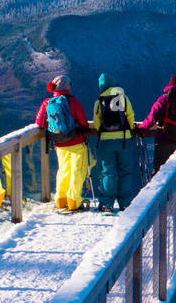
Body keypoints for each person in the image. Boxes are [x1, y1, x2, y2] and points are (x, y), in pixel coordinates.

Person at [35, 75, 92, 213]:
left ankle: (60, 201)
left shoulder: (47, 102)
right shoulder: (73, 101)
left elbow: (39, 122)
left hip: (59, 143)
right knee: (77, 172)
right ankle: (73, 202)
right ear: (67, 87)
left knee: (63, 171)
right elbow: (84, 123)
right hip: (76, 142)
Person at [91, 73, 138, 213]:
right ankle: (125, 203)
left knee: (107, 172)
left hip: (106, 141)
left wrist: (103, 132)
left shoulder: (99, 100)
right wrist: (130, 130)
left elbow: (96, 122)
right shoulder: (122, 97)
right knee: (125, 171)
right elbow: (130, 115)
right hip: (124, 139)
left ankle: (107, 204)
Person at [137, 75, 176, 174]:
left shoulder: (164, 99)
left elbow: (152, 117)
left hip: (164, 140)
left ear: (170, 85)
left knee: (160, 173)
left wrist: (140, 129)